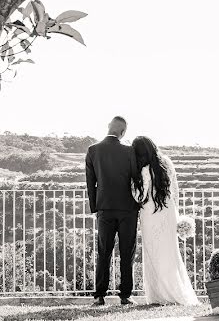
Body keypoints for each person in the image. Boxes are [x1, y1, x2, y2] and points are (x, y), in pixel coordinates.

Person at [131, 136, 199, 305]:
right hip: (167, 210)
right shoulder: (166, 163)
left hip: (149, 213)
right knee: (170, 253)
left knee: (153, 253)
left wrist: (133, 182)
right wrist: (176, 214)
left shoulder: (144, 169)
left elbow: (140, 196)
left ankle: (158, 295)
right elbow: (174, 190)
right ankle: (175, 290)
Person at [85, 116, 141, 305]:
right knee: (127, 252)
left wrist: (96, 208)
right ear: (123, 132)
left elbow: (90, 183)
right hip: (128, 209)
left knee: (104, 252)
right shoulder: (129, 151)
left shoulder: (93, 150)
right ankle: (125, 295)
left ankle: (100, 295)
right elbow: (136, 179)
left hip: (105, 209)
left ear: (108, 127)